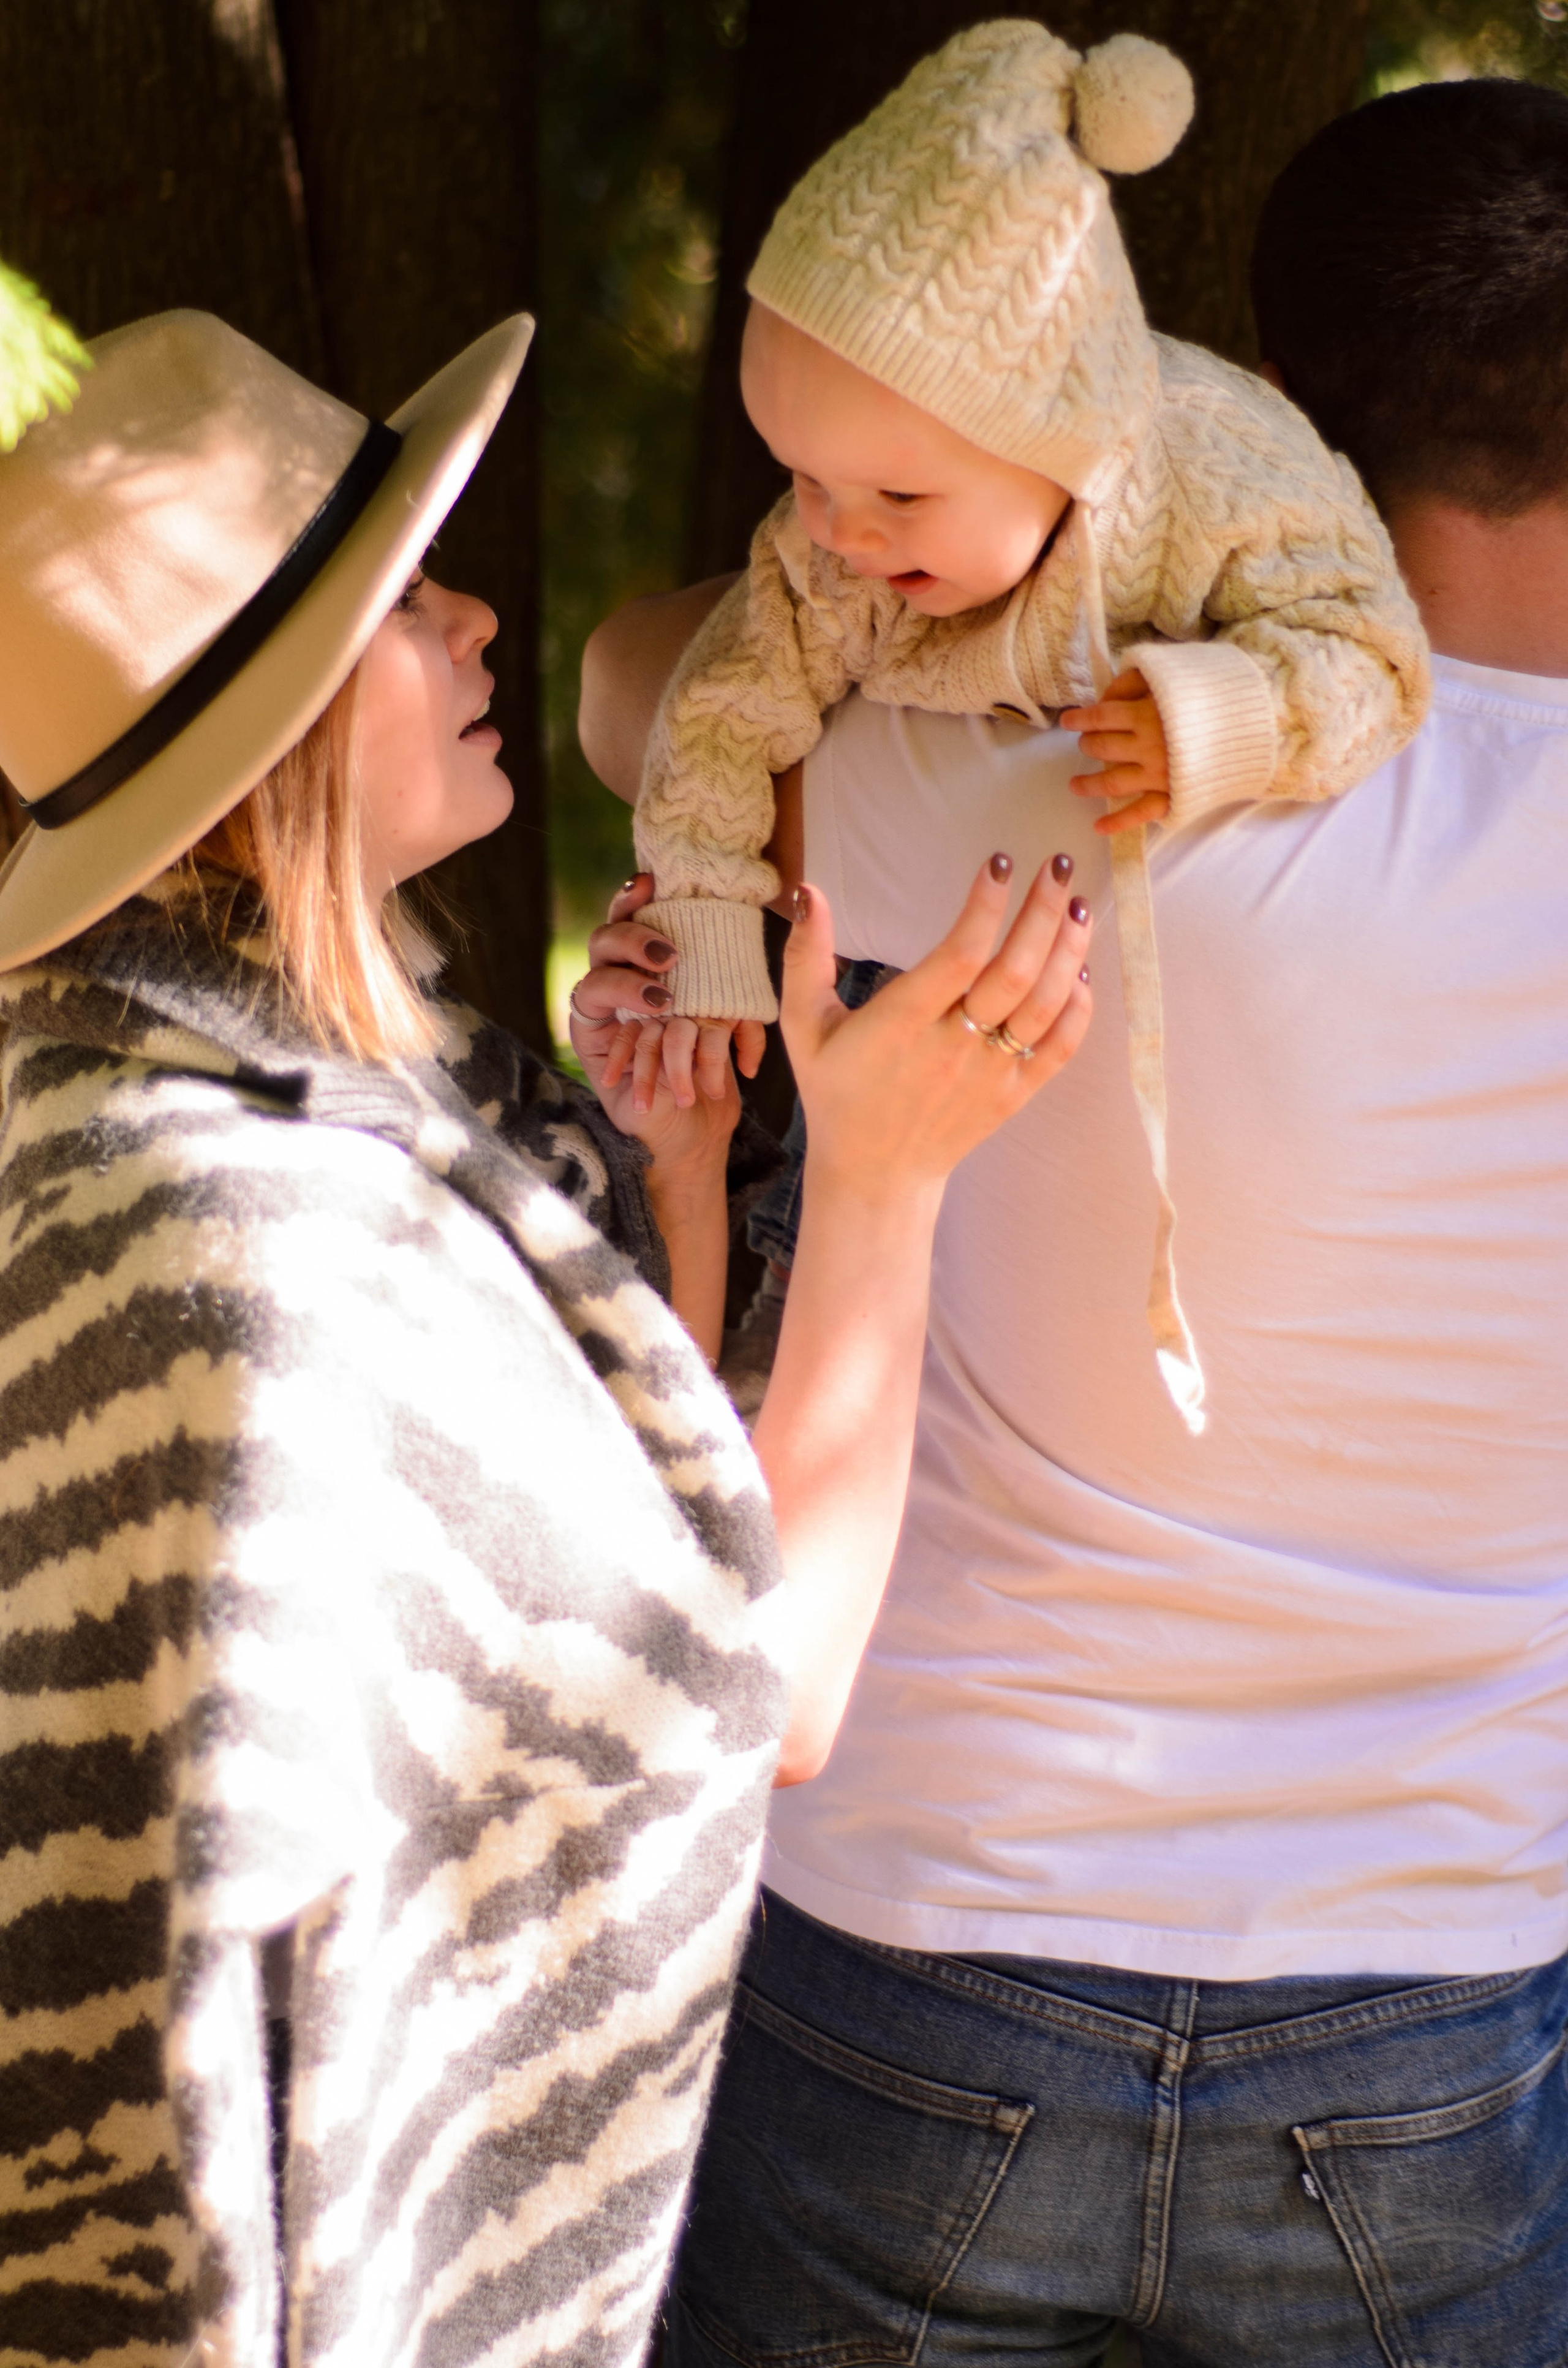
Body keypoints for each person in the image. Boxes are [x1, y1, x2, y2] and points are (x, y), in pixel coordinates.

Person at [578, 74, 1568, 2366]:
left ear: (1261, 405)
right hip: (1433, 2001)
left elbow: (652, 682)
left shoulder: (1036, 763)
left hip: (921, 1943)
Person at [0, 309, 1093, 2368]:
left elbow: (570, 1551)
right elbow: (744, 1683)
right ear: (287, 737)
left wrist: (676, 1183)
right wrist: (884, 1174)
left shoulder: (215, 1085)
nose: (491, 616)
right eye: (414, 597)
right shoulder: (256, 1217)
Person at [625, 17, 1430, 1429]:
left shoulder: (1219, 472)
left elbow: (1371, 651)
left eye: (894, 500)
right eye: (800, 479)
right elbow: (716, 716)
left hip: (1182, 953)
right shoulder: (825, 548)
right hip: (906, 951)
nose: (836, 533)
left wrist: (1214, 719)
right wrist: (704, 934)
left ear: (1055, 435)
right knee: (859, 1235)